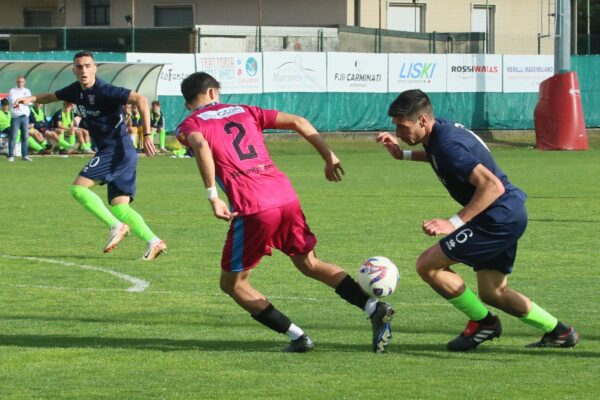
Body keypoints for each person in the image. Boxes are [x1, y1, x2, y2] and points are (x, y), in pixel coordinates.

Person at [176, 72, 395, 353]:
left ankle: (298, 336)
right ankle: (373, 307)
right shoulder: (246, 110)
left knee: (233, 283)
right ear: (213, 92)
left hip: (253, 205)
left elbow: (201, 144)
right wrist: (328, 155)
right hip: (285, 195)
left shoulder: (190, 122)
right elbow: (298, 121)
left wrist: (212, 196)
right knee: (309, 263)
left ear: (188, 102)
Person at [376, 89, 579, 351]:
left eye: (403, 127)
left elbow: (492, 186)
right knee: (492, 292)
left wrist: (453, 222)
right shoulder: (440, 134)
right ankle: (560, 332)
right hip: (508, 213)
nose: (400, 134)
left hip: (498, 216)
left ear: (423, 120)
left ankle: (484, 323)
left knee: (428, 265)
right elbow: (439, 156)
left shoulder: (447, 143)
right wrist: (401, 154)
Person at [15, 50, 166, 260]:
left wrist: (148, 134)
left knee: (78, 189)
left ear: (95, 68)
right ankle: (153, 241)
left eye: (88, 66)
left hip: (117, 150)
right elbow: (51, 96)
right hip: (120, 153)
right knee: (120, 207)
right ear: (74, 70)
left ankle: (116, 226)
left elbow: (141, 99)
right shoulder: (75, 91)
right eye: (79, 66)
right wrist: (30, 98)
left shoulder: (106, 90)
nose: (84, 70)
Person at [8, 76, 32, 162]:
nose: (20, 83)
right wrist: (22, 101)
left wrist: (21, 101)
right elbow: (13, 101)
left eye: (21, 82)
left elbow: (30, 102)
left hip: (25, 116)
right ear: (16, 82)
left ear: (24, 82)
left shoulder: (27, 91)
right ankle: (11, 155)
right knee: (13, 136)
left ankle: (24, 155)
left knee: (25, 136)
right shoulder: (12, 91)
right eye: (18, 82)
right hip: (16, 116)